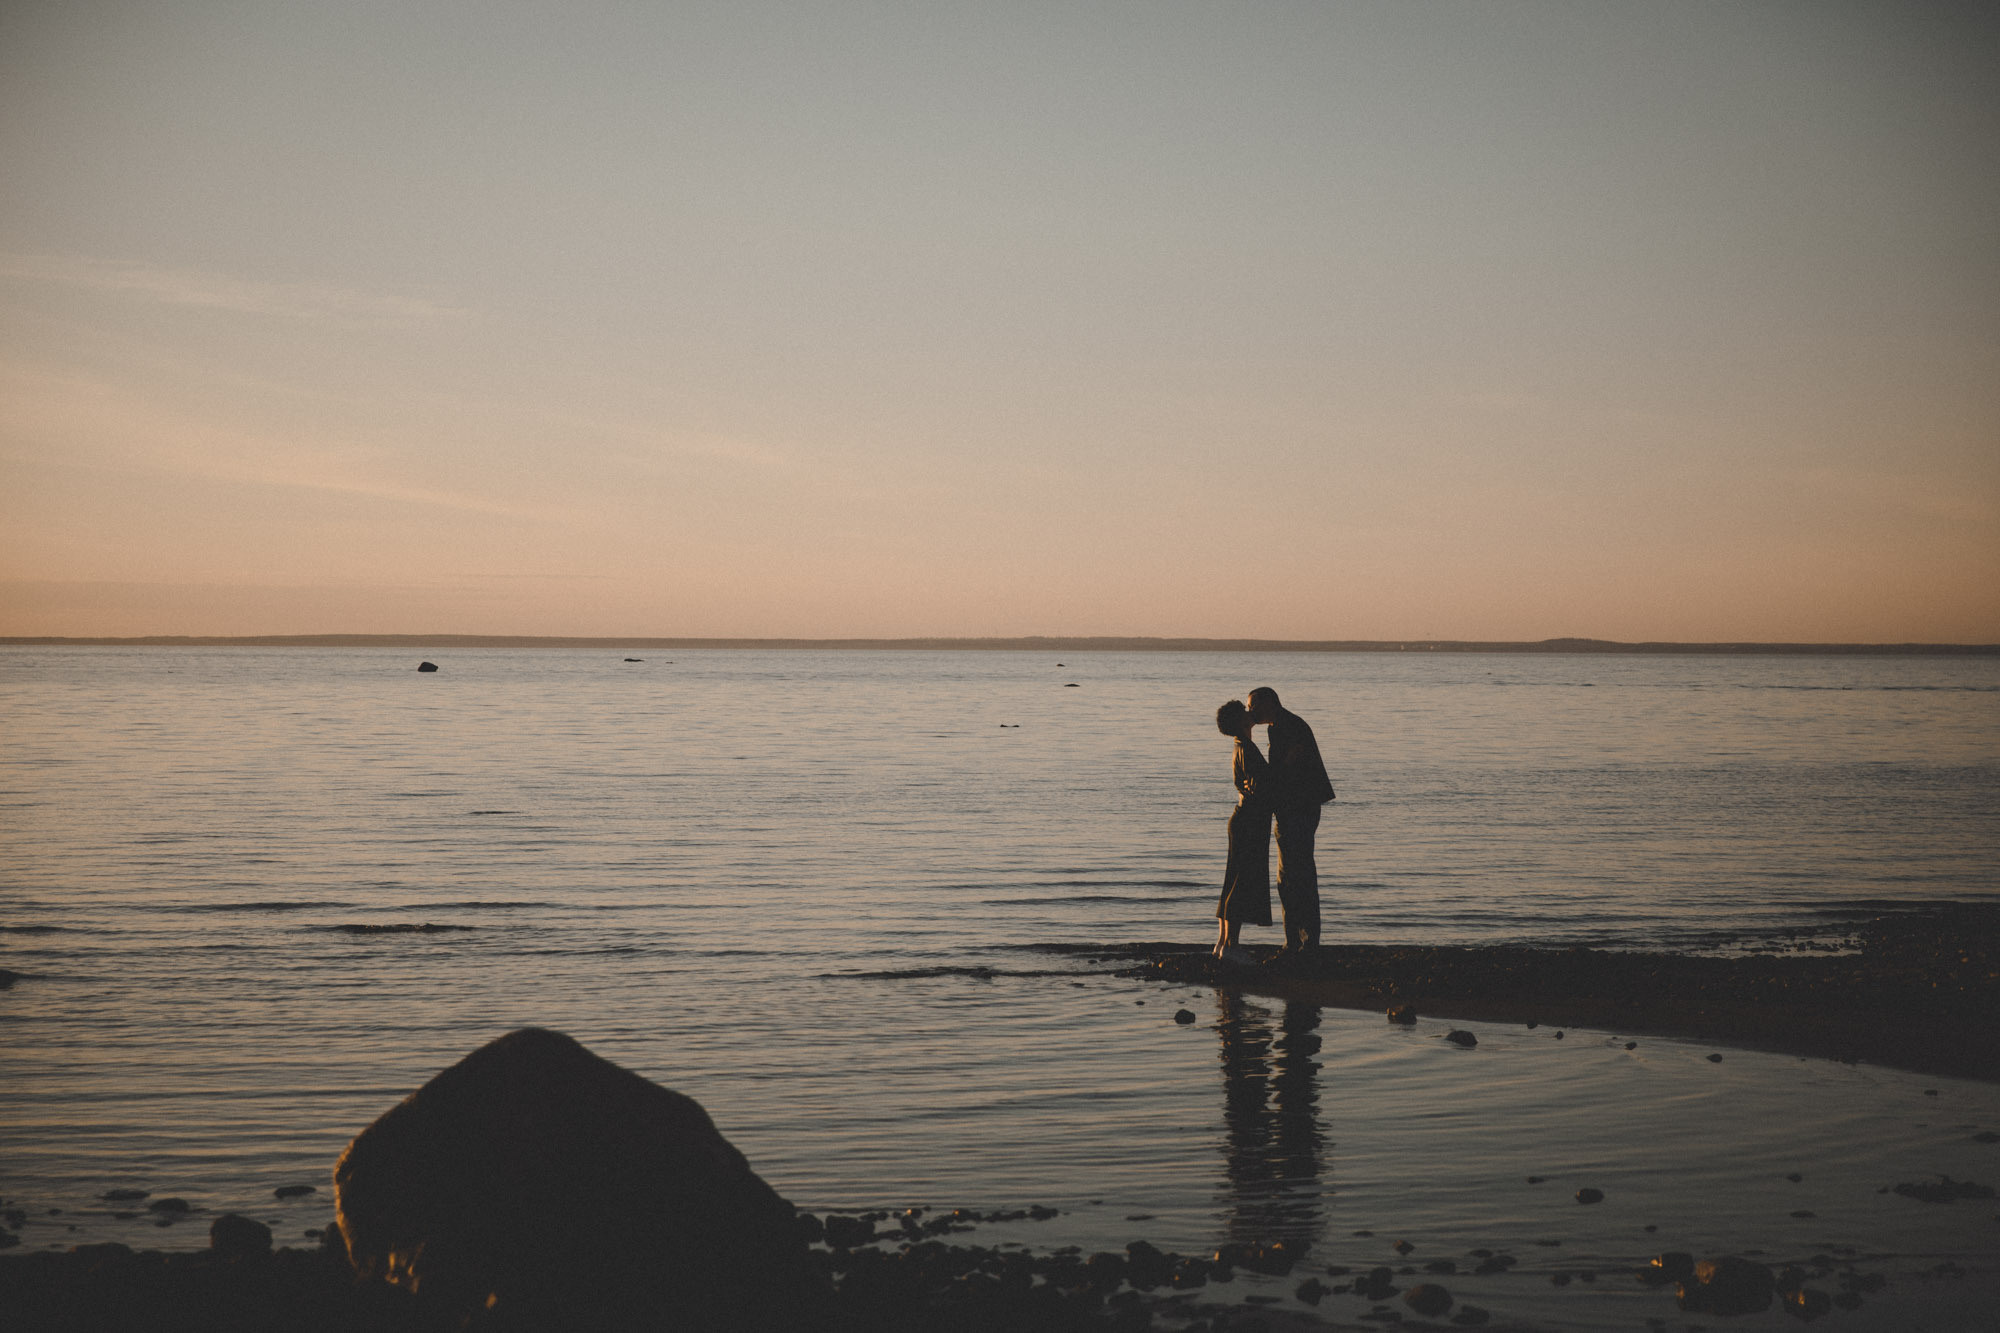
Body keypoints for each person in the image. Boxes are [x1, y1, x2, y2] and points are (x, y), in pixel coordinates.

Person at [1246, 687, 1335, 953]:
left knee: (1296, 876)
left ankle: (1302, 942)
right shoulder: (1281, 726)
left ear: (1270, 703)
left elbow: (1288, 768)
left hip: (1298, 808)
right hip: (1296, 808)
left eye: (1254, 707)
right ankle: (1299, 940)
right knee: (1292, 875)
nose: (1251, 713)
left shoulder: (1289, 726)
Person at [1212, 699, 1273, 964]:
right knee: (1240, 882)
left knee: (1233, 880)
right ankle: (1231, 946)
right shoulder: (1246, 748)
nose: (1251, 713)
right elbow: (1260, 787)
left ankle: (1223, 944)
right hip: (1249, 819)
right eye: (1245, 712)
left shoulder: (1242, 747)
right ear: (1239, 721)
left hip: (1243, 818)